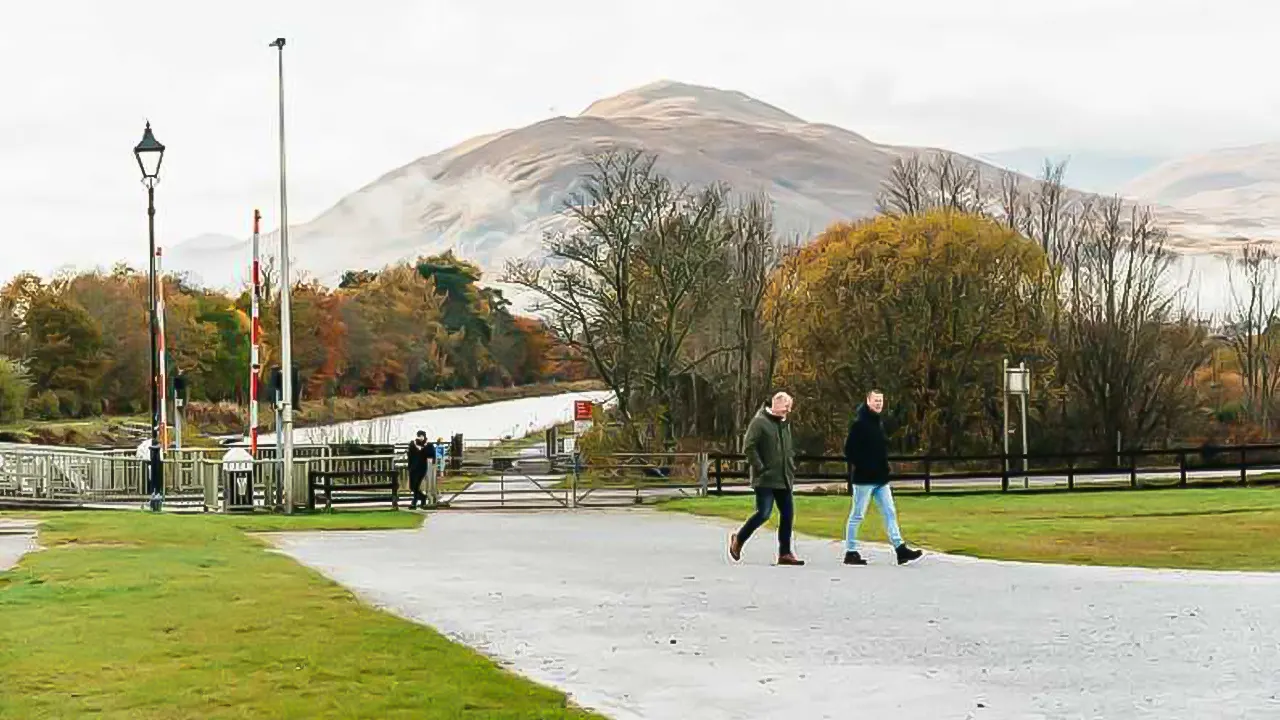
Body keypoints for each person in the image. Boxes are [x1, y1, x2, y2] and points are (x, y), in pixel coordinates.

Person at [843, 389, 923, 565]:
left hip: (881, 479)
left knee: (890, 513)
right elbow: (849, 450)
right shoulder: (859, 424)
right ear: (868, 401)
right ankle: (850, 551)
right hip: (864, 479)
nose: (879, 403)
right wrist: (864, 464)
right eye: (875, 400)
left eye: (881, 401)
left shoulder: (878, 423)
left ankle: (900, 549)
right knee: (858, 515)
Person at [728, 392, 805, 566]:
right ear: (776, 403)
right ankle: (738, 539)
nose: (789, 409)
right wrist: (760, 467)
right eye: (786, 406)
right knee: (763, 513)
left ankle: (785, 553)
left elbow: (787, 449)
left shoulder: (785, 424)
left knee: (788, 515)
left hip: (784, 477)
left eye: (790, 406)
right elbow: (749, 447)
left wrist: (790, 465)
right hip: (765, 478)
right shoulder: (759, 422)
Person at [407, 430, 436, 509]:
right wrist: (409, 467)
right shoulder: (412, 444)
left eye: (422, 436)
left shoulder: (428, 445)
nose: (420, 437)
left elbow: (432, 455)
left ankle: (414, 503)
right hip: (413, 468)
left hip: (422, 468)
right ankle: (423, 497)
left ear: (424, 436)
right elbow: (409, 456)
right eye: (419, 436)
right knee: (412, 486)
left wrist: (423, 448)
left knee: (416, 485)